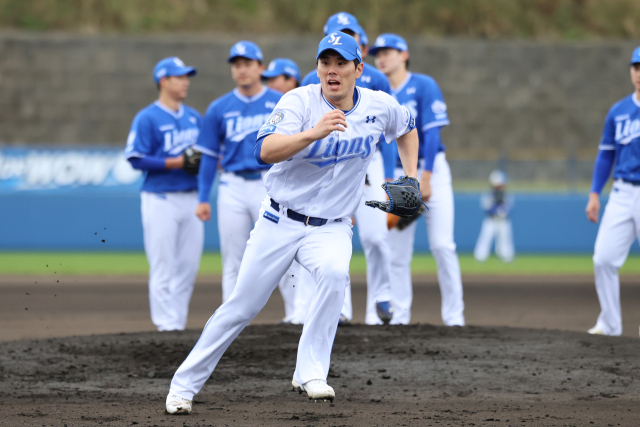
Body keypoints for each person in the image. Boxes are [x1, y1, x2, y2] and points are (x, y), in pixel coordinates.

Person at [165, 32, 420, 414]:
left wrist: (411, 177)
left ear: (358, 68)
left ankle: (311, 371)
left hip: (332, 225)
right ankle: (183, 387)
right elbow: (263, 151)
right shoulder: (298, 101)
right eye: (324, 63)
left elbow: (407, 127)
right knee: (241, 306)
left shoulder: (378, 105)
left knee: (335, 275)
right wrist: (312, 133)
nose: (331, 71)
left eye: (340, 63)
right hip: (279, 221)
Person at [298, 11, 397, 326]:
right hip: (329, 164)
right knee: (332, 237)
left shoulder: (376, 80)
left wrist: (393, 178)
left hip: (369, 162)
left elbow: (394, 131)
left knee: (376, 237)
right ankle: (339, 308)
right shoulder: (310, 83)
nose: (344, 38)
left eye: (349, 33)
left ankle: (382, 297)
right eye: (337, 33)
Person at [193, 41, 300, 320]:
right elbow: (208, 156)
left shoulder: (278, 101)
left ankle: (296, 315)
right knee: (234, 258)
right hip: (232, 185)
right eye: (236, 64)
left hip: (271, 182)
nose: (242, 70)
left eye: (248, 63)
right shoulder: (219, 108)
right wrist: (203, 197)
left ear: (260, 68)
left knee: (284, 252)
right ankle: (230, 321)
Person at [371, 33, 465, 326]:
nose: (382, 57)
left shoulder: (423, 85)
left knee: (442, 245)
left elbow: (433, 133)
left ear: (404, 54)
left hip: (429, 168)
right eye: (378, 53)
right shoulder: (379, 92)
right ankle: (399, 318)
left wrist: (426, 178)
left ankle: (454, 318)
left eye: (388, 51)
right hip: (400, 177)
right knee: (397, 252)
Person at [124, 57, 203, 332]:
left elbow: (206, 155)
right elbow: (135, 158)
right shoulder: (147, 117)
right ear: (163, 80)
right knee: (163, 266)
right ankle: (165, 325)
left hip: (191, 197)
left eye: (186, 76)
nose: (185, 82)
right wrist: (177, 162)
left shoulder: (194, 117)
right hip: (160, 198)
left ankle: (177, 324)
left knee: (188, 267)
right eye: (179, 76)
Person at [585, 46, 640, 337]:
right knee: (603, 258)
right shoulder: (619, 112)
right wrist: (595, 193)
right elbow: (606, 155)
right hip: (621, 193)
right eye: (636, 67)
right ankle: (610, 324)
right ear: (631, 71)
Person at [474, 170, 515, 263]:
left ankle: (507, 257)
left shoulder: (506, 194)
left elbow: (509, 207)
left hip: (503, 220)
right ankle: (480, 257)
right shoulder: (488, 194)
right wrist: (496, 210)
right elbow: (486, 207)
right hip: (491, 220)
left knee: (505, 238)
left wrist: (502, 211)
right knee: (485, 237)